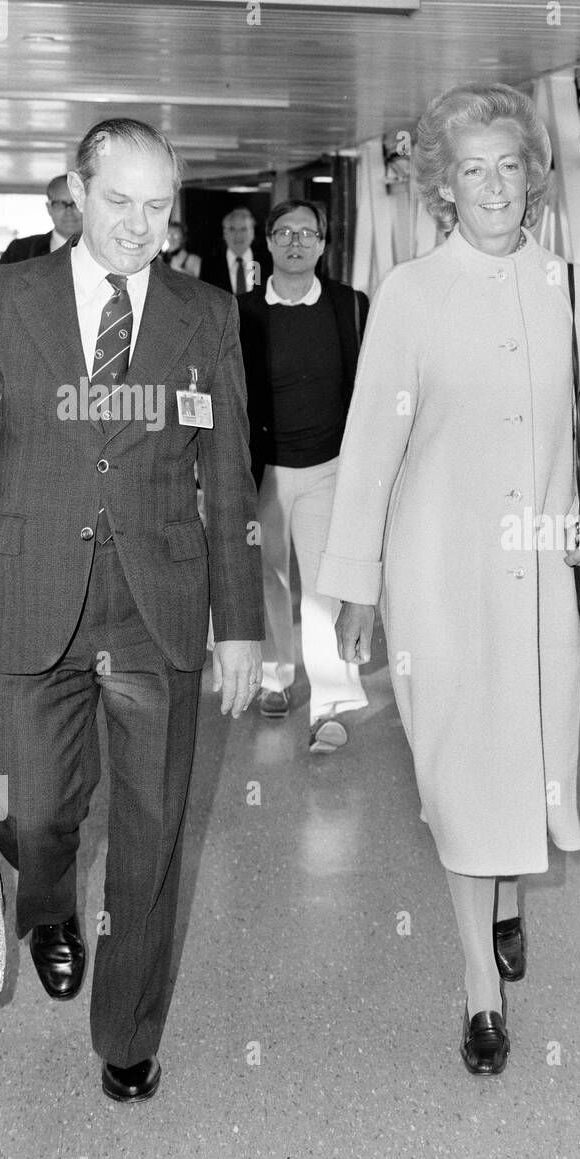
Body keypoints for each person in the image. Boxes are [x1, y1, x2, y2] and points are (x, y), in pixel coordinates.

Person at [0, 117, 264, 1105]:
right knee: (32, 812)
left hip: (156, 606)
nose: (140, 225)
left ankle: (126, 1033)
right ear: (75, 189)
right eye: (119, 201)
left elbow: (229, 479)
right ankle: (51, 898)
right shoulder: (5, 298)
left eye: (159, 206)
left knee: (152, 835)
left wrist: (238, 622)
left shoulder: (205, 314)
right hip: (31, 596)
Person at [317, 83, 580, 1075]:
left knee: (530, 754)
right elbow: (370, 444)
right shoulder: (413, 293)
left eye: (509, 164)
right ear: (443, 188)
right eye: (472, 169)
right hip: (436, 576)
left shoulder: (573, 289)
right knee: (459, 770)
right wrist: (356, 580)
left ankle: (507, 896)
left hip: (542, 571)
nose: (492, 185)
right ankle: (478, 985)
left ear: (533, 179)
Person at [239, 199, 369, 751]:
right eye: (284, 233)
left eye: (307, 233)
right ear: (267, 242)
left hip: (328, 466)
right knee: (268, 578)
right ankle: (274, 678)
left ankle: (332, 702)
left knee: (324, 583)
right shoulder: (240, 310)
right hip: (264, 468)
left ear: (322, 244)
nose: (295, 242)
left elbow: (368, 387)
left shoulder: (349, 305)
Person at [0, 174, 82, 263]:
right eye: (59, 204)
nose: (69, 211)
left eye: (76, 203)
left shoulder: (97, 250)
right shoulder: (18, 252)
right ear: (49, 208)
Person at [203, 206, 267, 293]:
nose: (238, 235)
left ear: (252, 233)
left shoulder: (266, 262)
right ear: (224, 233)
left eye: (243, 229)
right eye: (232, 229)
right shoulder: (210, 265)